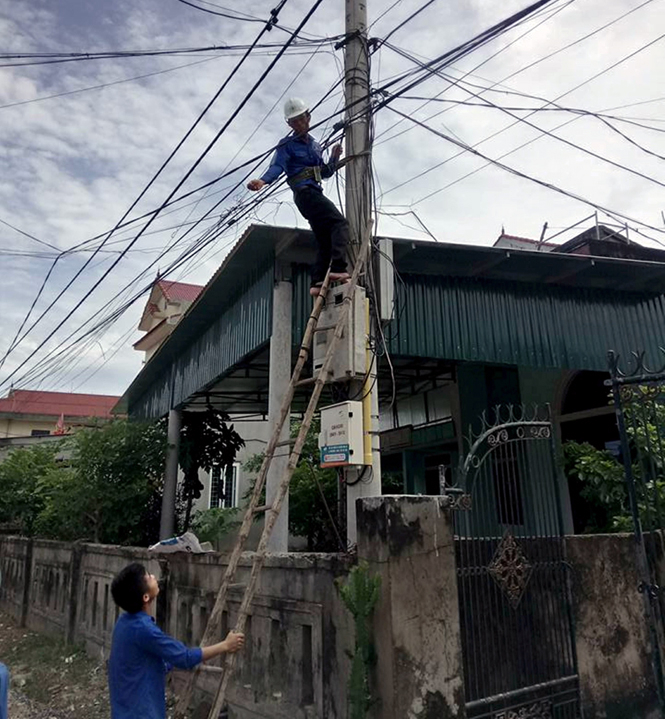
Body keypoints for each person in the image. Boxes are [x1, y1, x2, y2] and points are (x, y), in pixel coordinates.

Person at [108, 562, 244, 719]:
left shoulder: (123, 623)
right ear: (145, 597)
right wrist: (226, 645)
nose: (153, 576)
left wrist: (195, 656)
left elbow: (146, 663)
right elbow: (184, 657)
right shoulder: (144, 630)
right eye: (148, 577)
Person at [247, 97, 351, 296]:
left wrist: (335, 157)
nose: (300, 124)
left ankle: (317, 281)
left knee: (324, 238)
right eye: (294, 121)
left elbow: (325, 172)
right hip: (305, 194)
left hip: (313, 192)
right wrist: (262, 181)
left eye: (302, 119)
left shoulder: (315, 146)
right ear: (289, 124)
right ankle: (338, 267)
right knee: (340, 224)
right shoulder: (287, 144)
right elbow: (277, 166)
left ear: (309, 117)